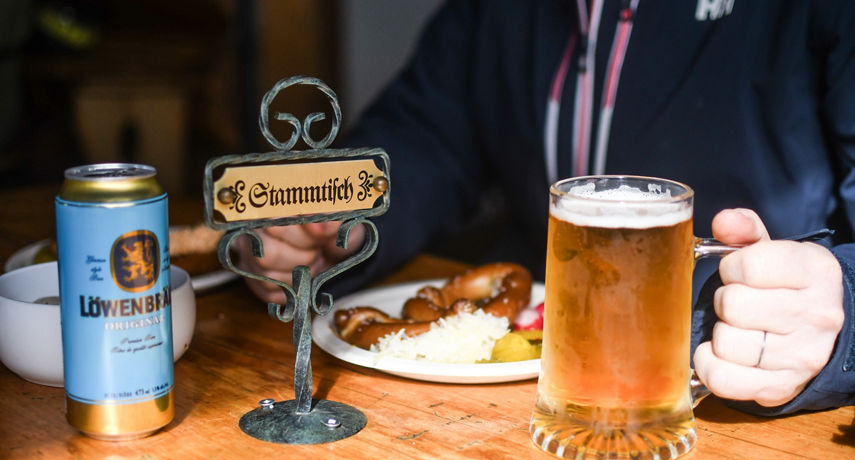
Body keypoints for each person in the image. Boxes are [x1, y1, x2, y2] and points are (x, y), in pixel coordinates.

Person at [235, 0, 855, 416]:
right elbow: (427, 133)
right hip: (529, 397)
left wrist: (843, 314)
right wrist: (333, 222)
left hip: (737, 407)